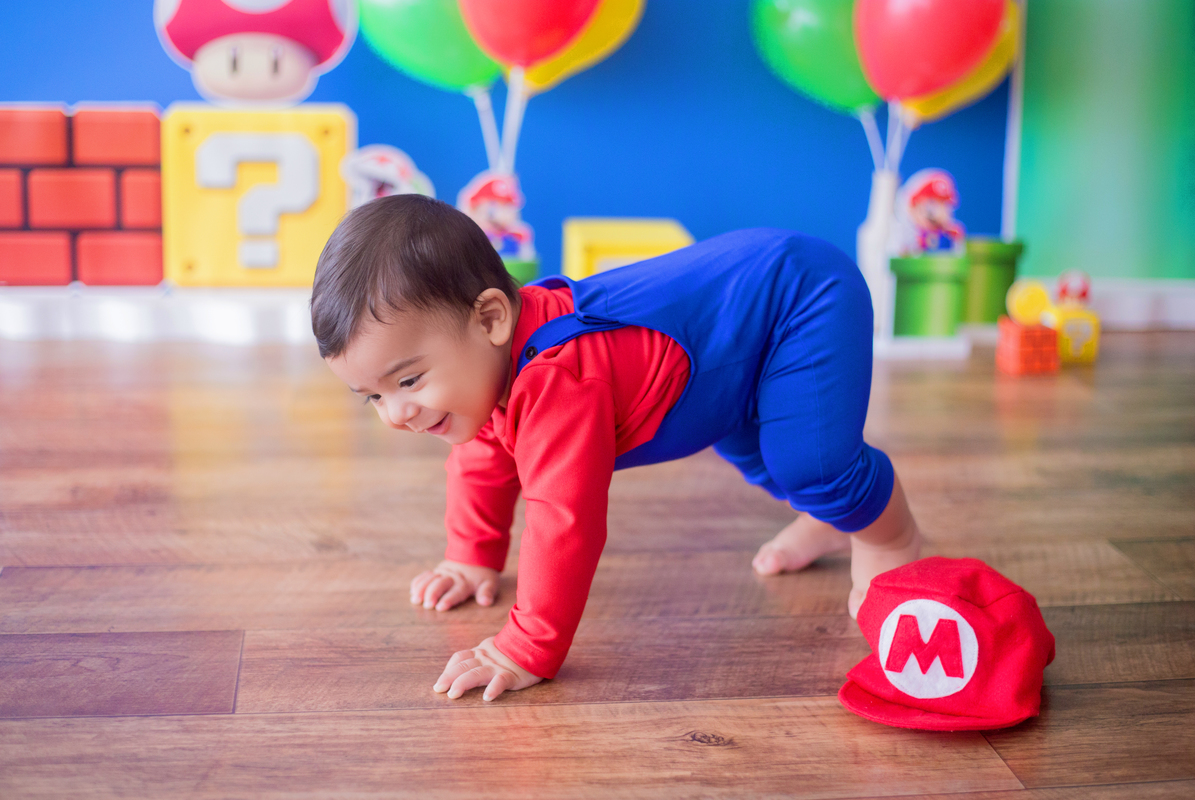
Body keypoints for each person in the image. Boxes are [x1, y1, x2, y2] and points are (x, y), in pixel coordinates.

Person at [312, 195, 922, 702]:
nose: (396, 414)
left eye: (409, 381)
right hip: (727, 348)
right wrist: (471, 556)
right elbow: (482, 455)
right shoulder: (487, 367)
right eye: (373, 397)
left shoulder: (556, 378)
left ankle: (887, 536)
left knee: (812, 464)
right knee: (757, 449)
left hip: (800, 296)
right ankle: (828, 514)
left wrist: (525, 647)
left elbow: (563, 521)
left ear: (491, 318)